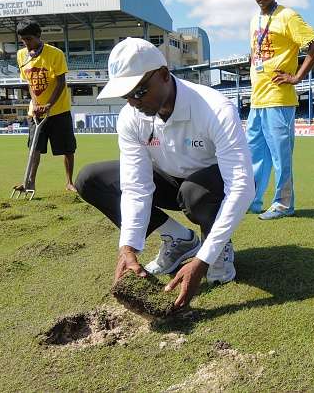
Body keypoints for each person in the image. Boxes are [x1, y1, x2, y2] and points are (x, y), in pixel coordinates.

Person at [75, 38, 254, 309]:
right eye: (127, 95)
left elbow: (241, 187)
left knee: (194, 194)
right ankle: (180, 240)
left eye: (140, 91)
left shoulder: (215, 109)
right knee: (90, 179)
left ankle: (217, 249)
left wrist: (204, 259)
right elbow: (136, 186)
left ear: (163, 74)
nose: (133, 102)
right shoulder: (131, 116)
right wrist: (129, 247)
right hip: (170, 180)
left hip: (210, 185)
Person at [246, 0, 314, 220]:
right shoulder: (253, 20)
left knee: (281, 156)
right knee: (254, 156)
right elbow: (256, 53)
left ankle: (283, 203)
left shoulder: (288, 16)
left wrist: (297, 77)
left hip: (279, 99)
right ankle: (253, 200)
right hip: (257, 99)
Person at [14, 18, 77, 193]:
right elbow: (29, 83)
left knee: (67, 149)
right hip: (36, 111)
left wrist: (49, 104)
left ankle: (69, 182)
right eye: (23, 40)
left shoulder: (55, 54)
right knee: (34, 148)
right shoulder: (21, 55)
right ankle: (29, 183)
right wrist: (36, 103)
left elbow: (61, 82)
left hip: (59, 110)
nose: (27, 44)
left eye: (29, 39)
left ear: (38, 36)